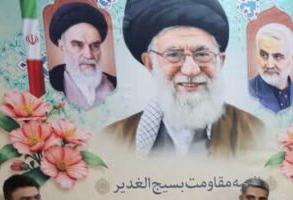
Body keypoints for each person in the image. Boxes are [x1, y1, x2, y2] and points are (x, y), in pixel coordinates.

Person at [106, 0, 265, 157]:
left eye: (202, 54)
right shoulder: (114, 139)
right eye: (174, 55)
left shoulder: (253, 131)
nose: (190, 70)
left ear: (220, 61)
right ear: (150, 63)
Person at [48, 1, 116, 109]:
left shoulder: (113, 83)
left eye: (95, 46)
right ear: (62, 47)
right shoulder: (50, 83)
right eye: (78, 45)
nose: (88, 55)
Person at [247, 22, 293, 113]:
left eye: (278, 57)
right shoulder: (246, 92)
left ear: (292, 59)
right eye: (264, 55)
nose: (270, 65)